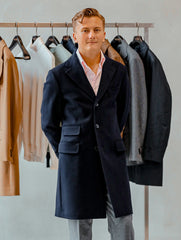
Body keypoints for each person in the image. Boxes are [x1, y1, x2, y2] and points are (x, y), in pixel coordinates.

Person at [41, 8, 135, 240]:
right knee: (80, 227)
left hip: (112, 156)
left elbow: (123, 112)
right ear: (75, 36)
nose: (91, 35)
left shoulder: (119, 71)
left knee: (123, 221)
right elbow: (49, 122)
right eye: (85, 30)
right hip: (77, 159)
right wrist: (67, 150)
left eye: (96, 30)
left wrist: (111, 137)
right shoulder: (59, 75)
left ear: (104, 34)